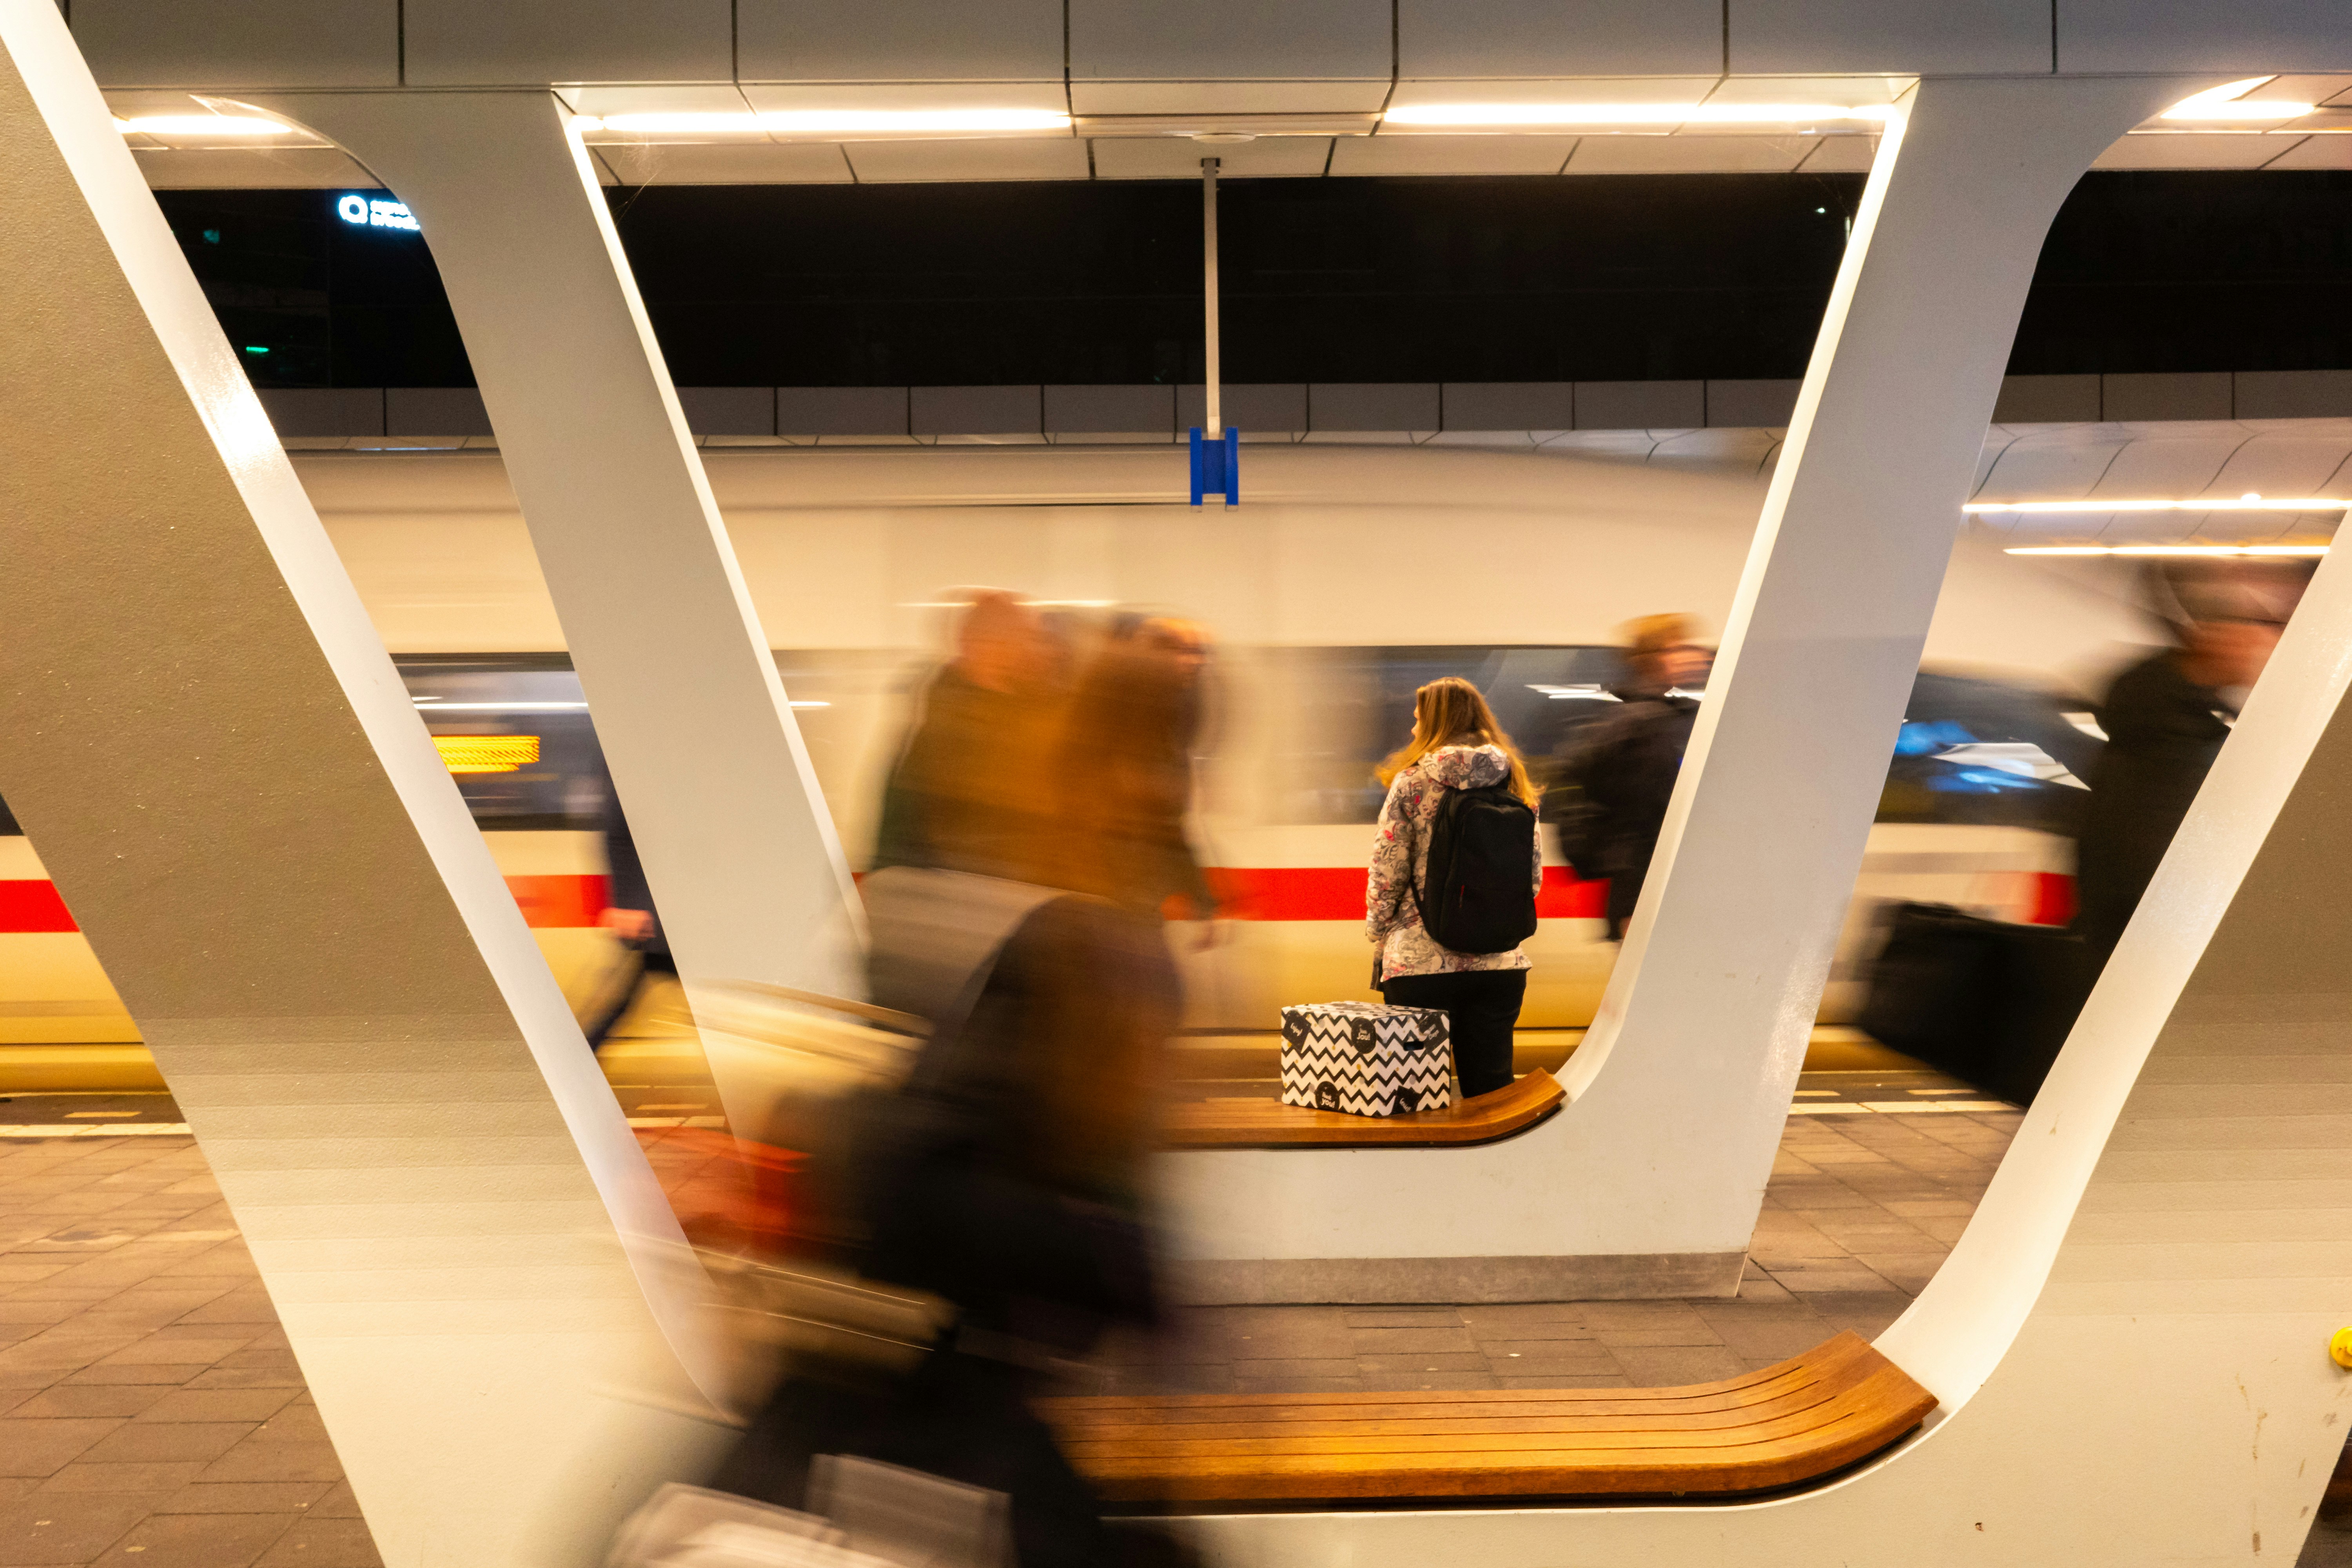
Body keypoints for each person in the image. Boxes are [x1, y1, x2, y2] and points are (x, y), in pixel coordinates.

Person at [708, 637, 1195, 1568]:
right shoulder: (1080, 942)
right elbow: (977, 1181)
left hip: (878, 1389)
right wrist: (1119, 1264)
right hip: (935, 1423)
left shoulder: (960, 911)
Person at [1366, 677, 1543, 1100]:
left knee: (1412, 1098)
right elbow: (1531, 878)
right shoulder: (1516, 783)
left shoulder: (1412, 782)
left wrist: (1378, 930)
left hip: (1419, 965)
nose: (1412, 730)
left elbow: (1387, 871)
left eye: (1416, 720)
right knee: (1493, 1099)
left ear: (1433, 724)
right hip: (1500, 965)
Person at [2073, 610, 2281, 964]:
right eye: (2257, 636)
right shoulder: (2177, 744)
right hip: (2161, 946)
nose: (2270, 650)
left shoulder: (2168, 723)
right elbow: (2155, 855)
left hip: (2137, 939)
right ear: (2220, 638)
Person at [871, 590, 1058, 878]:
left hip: (984, 892)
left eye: (1020, 641)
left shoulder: (1033, 719)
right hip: (968, 892)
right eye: (998, 641)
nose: (1014, 653)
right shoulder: (947, 730)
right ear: (968, 645)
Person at [1555, 613, 1710, 941]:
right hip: (1645, 887)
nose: (1699, 654)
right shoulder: (1642, 722)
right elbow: (1648, 817)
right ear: (1655, 659)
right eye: (1682, 647)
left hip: (1649, 884)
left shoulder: (1660, 715)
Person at [581, 760, 674, 1051]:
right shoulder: (632, 769)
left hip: (660, 916)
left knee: (620, 1001)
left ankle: (580, 1057)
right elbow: (618, 836)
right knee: (619, 1002)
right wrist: (632, 905)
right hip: (652, 919)